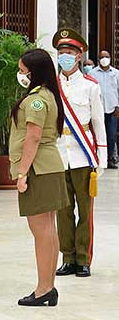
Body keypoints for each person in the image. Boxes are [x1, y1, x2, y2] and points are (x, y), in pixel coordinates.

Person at [9, 48, 68, 307]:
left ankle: (44, 288)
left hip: (38, 169)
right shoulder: (47, 94)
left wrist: (22, 172)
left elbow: (33, 137)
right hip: (50, 167)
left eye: (23, 70)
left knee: (41, 231)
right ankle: (48, 286)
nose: (20, 75)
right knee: (48, 230)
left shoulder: (36, 99)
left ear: (34, 72)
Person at [52, 29, 106, 278]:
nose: (65, 56)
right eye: (61, 52)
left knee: (85, 210)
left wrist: (101, 158)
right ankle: (68, 257)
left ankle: (83, 259)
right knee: (63, 211)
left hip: (83, 155)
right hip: (59, 154)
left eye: (70, 53)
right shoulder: (50, 86)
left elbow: (98, 123)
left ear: (79, 56)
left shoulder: (91, 87)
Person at [89, 50, 119, 169]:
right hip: (97, 109)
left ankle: (110, 159)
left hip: (112, 109)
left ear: (110, 58)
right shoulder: (92, 73)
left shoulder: (116, 73)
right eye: (102, 57)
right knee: (98, 134)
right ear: (98, 59)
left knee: (111, 135)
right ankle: (98, 158)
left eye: (107, 56)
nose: (104, 59)